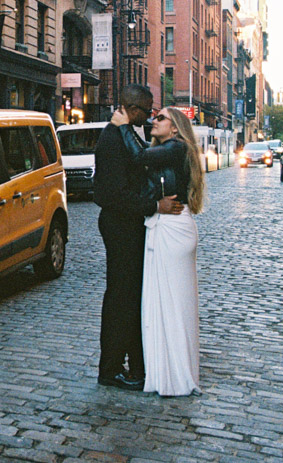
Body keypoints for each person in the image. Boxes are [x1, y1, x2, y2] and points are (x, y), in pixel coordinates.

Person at [92, 85, 182, 391]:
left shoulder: (125, 133)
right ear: (134, 110)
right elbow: (111, 194)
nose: (150, 116)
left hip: (131, 225)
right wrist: (154, 206)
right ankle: (110, 369)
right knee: (120, 299)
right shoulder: (113, 137)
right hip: (120, 226)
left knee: (130, 299)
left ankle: (134, 365)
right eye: (148, 111)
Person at [112, 105, 205, 397]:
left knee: (172, 305)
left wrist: (123, 126)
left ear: (175, 127)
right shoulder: (170, 148)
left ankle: (174, 374)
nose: (154, 120)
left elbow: (137, 156)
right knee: (166, 303)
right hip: (167, 226)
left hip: (172, 229)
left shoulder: (176, 147)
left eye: (161, 118)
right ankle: (166, 369)